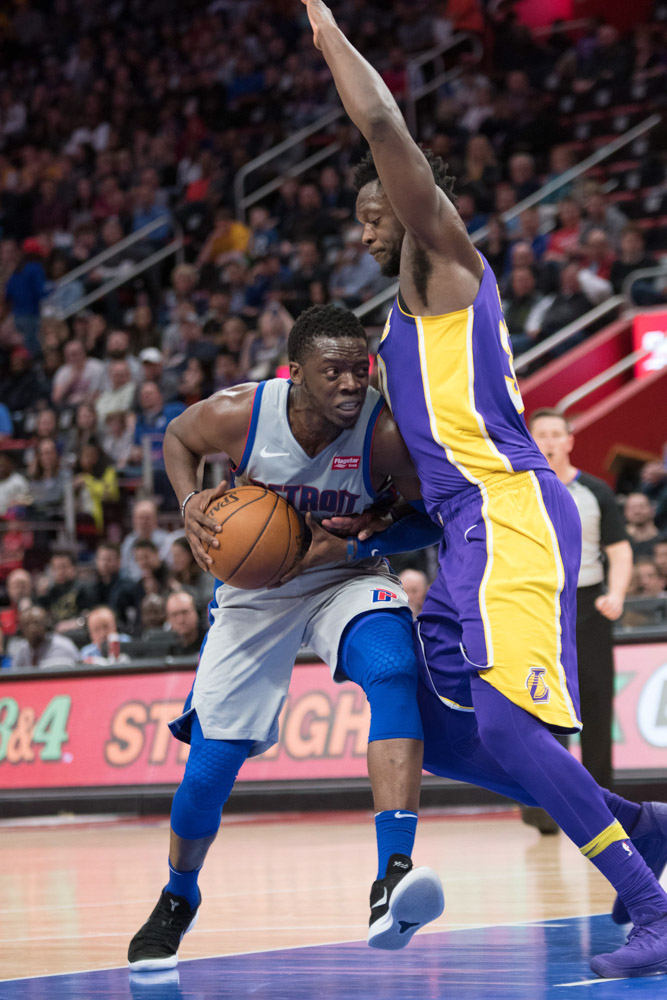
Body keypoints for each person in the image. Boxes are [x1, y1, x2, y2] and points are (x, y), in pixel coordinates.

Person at [301, 0, 667, 979]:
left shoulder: (443, 265)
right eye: (359, 219)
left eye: (375, 211)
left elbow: (384, 126)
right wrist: (370, 520)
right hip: (461, 528)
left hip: (508, 509)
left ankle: (649, 902)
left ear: (410, 202)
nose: (364, 230)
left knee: (508, 722)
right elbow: (423, 465)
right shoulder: (396, 328)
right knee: (438, 729)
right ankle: (640, 827)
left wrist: (325, 31)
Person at [128, 304, 445, 972]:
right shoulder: (241, 414)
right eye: (333, 372)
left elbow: (431, 518)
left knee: (393, 670)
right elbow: (178, 438)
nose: (350, 383)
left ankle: (392, 876)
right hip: (256, 589)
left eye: (358, 369)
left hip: (346, 574)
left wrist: (360, 540)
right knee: (209, 768)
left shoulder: (383, 433)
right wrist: (189, 503)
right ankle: (178, 894)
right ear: (294, 373)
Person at [529, 410, 633, 793]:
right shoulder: (521, 490)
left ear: (570, 440)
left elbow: (619, 550)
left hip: (589, 605)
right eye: (542, 435)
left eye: (557, 434)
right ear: (530, 440)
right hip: (537, 607)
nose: (550, 442)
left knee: (596, 700)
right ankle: (551, 800)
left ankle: (602, 798)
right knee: (542, 704)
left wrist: (616, 594)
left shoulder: (596, 491)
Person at [10, 605, 79, 670]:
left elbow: (79, 668)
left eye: (36, 623)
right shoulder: (21, 650)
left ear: (46, 623)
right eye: (26, 624)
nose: (32, 628)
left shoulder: (63, 645)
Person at [164, 591, 207, 656]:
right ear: (168, 618)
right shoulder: (163, 645)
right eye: (174, 615)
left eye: (185, 612)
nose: (181, 620)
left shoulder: (211, 640)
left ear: (197, 613)